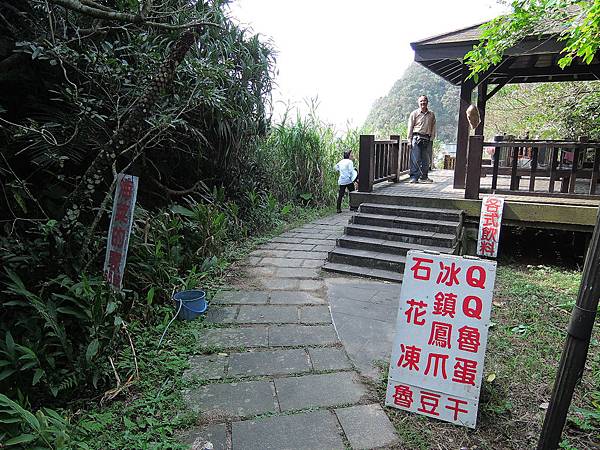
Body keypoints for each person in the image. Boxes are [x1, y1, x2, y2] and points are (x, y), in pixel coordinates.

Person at [407, 95, 436, 183]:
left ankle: (424, 176)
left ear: (427, 102)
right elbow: (410, 127)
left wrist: (432, 138)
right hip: (416, 137)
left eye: (424, 101)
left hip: (427, 138)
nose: (423, 103)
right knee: (415, 158)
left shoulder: (431, 114)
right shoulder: (414, 113)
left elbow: (434, 127)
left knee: (426, 159)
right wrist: (409, 139)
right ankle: (414, 177)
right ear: (418, 103)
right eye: (421, 101)